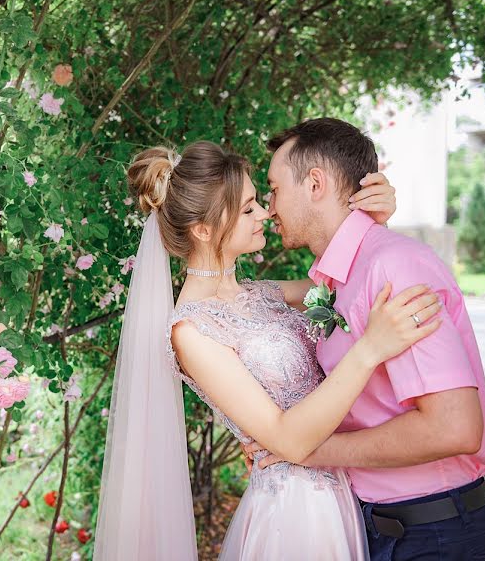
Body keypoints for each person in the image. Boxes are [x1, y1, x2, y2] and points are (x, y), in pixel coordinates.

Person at [94, 140, 441, 560]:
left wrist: (374, 224)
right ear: (203, 229)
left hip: (344, 495)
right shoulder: (191, 331)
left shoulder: (265, 293)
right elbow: (289, 441)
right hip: (295, 514)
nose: (265, 213)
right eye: (247, 209)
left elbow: (355, 282)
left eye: (259, 201)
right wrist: (369, 350)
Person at [243, 118, 485, 561]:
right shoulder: (340, 277)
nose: (270, 208)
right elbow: (286, 298)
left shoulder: (393, 267)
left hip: (440, 535)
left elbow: (455, 427)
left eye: (273, 189)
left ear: (315, 184)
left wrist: (308, 451)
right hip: (378, 527)